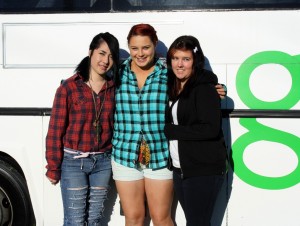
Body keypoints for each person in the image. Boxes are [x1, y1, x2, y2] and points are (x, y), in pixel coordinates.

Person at [111, 23, 227, 226]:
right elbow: (92, 78)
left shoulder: (168, 71)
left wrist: (217, 87)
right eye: (134, 48)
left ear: (155, 45)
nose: (140, 53)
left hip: (160, 154)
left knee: (161, 217)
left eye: (146, 47)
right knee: (133, 217)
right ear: (128, 47)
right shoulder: (118, 73)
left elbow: (198, 77)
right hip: (124, 153)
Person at [45, 32, 119, 225]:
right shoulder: (69, 87)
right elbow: (55, 130)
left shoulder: (113, 87)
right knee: (75, 221)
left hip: (103, 163)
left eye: (111, 56)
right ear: (90, 52)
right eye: (102, 53)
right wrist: (53, 167)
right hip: (73, 162)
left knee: (94, 220)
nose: (105, 60)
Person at [164, 35, 227, 226]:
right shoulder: (174, 85)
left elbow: (211, 129)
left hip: (202, 170)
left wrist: (173, 131)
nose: (180, 64)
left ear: (195, 61)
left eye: (186, 59)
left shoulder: (204, 88)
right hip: (180, 168)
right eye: (175, 58)